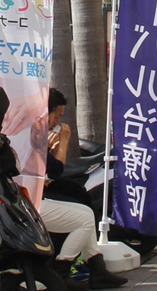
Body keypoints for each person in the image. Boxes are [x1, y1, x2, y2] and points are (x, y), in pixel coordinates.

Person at [38, 89, 126, 288]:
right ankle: (61, 270)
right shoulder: (35, 134)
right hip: (32, 202)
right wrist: (64, 142)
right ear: (49, 112)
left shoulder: (36, 134)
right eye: (58, 116)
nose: (57, 122)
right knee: (85, 219)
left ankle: (97, 270)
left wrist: (52, 149)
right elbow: (55, 170)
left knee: (85, 212)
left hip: (35, 198)